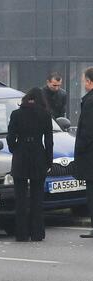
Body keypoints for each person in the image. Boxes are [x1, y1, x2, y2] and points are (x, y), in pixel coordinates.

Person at [6, 87, 53, 242]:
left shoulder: (16, 114)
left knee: (20, 197)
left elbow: (10, 137)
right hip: (38, 154)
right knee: (37, 197)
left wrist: (16, 150)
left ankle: (21, 233)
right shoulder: (45, 115)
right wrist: (49, 159)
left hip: (21, 155)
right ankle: (37, 233)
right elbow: (49, 141)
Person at [74, 67, 93, 238]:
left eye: (83, 80)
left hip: (89, 155)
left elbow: (87, 131)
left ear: (89, 82)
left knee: (91, 191)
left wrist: (79, 148)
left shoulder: (90, 101)